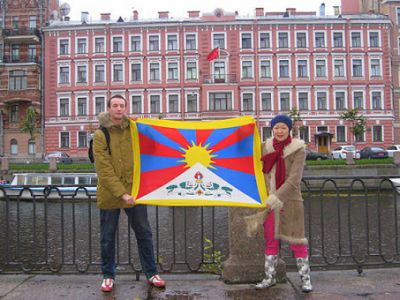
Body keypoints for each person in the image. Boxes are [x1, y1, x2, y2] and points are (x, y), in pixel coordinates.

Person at [93, 94, 166, 292]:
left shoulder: (134, 129)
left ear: (125, 108)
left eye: (121, 105)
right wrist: (122, 194)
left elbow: (153, 143)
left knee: (144, 234)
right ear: (108, 108)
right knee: (107, 237)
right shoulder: (100, 134)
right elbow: (104, 169)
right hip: (111, 194)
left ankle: (151, 273)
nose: (118, 109)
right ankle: (108, 276)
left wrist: (159, 125)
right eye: (115, 105)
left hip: (135, 191)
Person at [255, 114, 312, 292]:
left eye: (283, 128)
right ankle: (269, 277)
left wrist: (275, 197)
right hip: (271, 203)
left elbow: (294, 179)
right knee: (270, 240)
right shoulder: (266, 147)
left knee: (297, 240)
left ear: (289, 130)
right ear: (272, 129)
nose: (279, 131)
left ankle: (305, 280)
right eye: (276, 128)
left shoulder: (298, 149)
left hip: (291, 201)